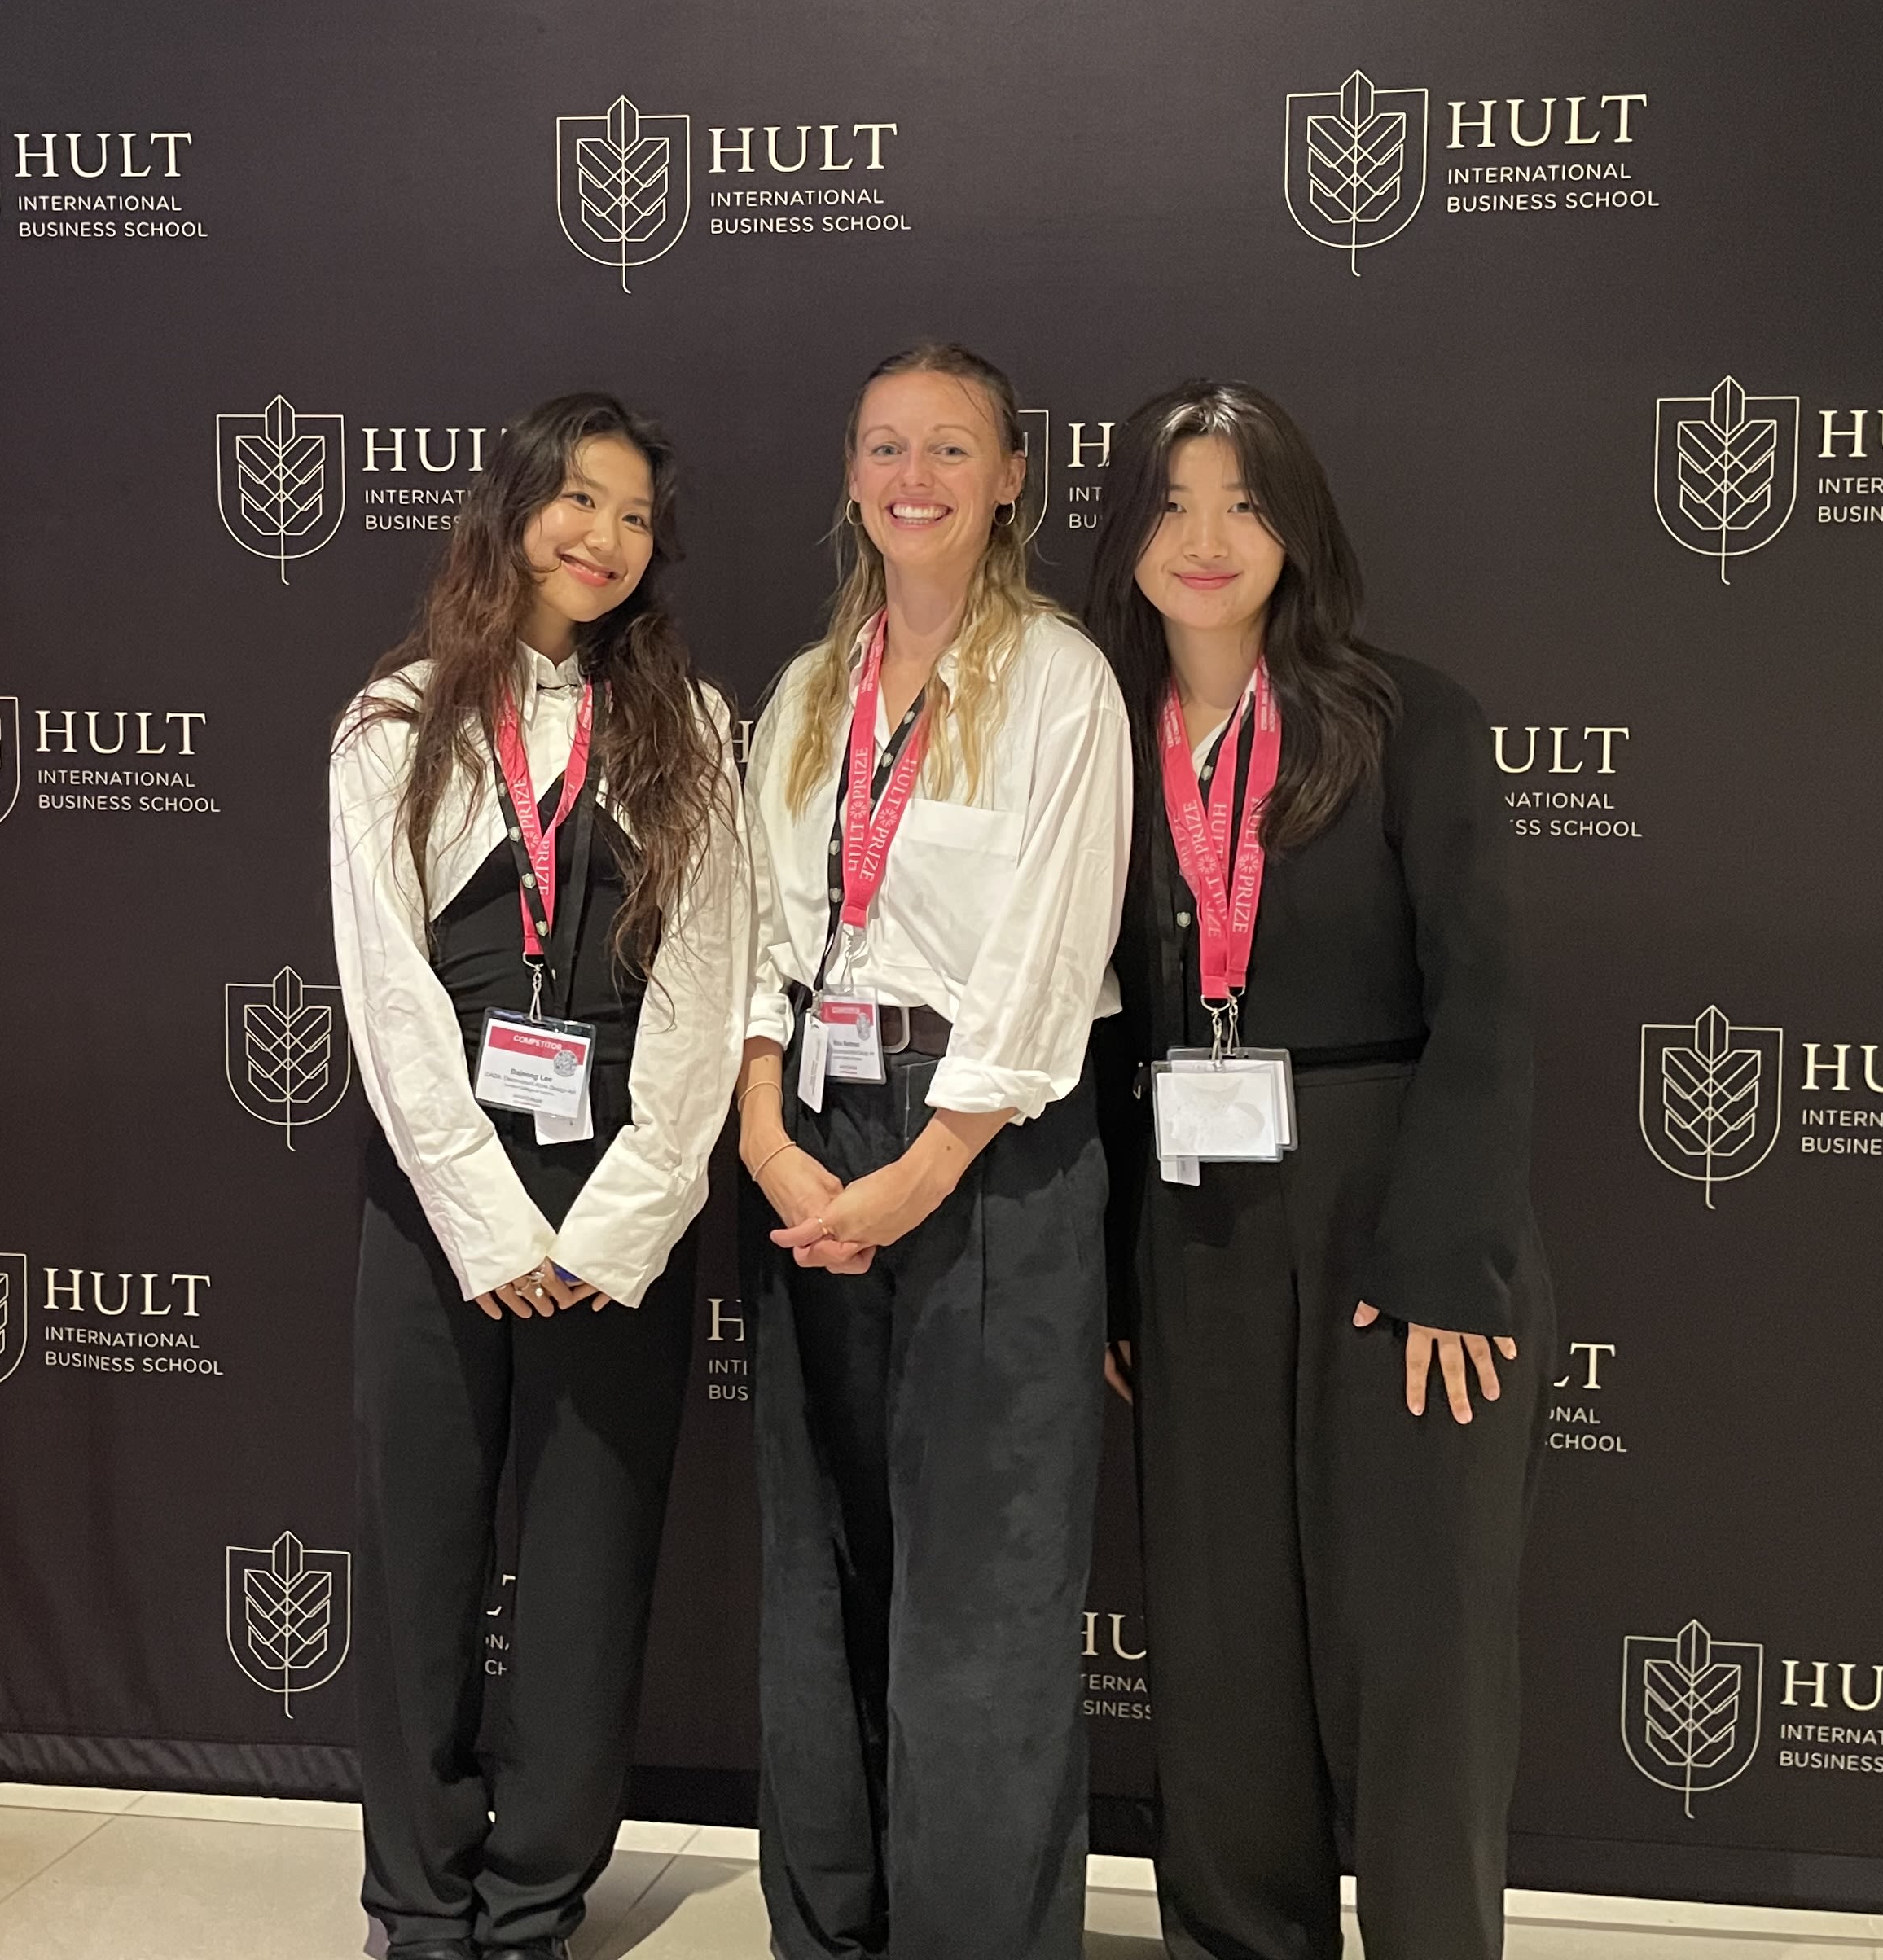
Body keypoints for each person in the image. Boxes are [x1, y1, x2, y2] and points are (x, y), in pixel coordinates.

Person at [1078, 379, 1554, 1960]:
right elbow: (1081, 1024)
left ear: (1301, 525)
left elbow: (1487, 1000)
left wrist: (1448, 1257)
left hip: (1394, 1214)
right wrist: (1107, 1278)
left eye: (1244, 502)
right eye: (1171, 504)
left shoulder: (1410, 719)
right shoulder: (1096, 750)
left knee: (1419, 1653)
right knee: (1217, 1649)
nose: (1205, 541)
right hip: (1190, 1224)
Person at [327, 390, 748, 1960]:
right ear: (510, 511)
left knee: (585, 1564)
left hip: (623, 1193)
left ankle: (534, 1904)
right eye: (578, 500)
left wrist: (624, 1219)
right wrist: (486, 1219)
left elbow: (711, 986)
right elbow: (385, 994)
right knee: (420, 1547)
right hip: (443, 1190)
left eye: (636, 516)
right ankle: (419, 1903)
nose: (604, 537)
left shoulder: (696, 728)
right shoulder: (393, 724)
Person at [733, 340, 1132, 1960]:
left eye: (953, 449)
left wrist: (927, 1165)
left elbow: (1047, 952)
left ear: (1012, 476)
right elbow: (760, 926)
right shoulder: (809, 690)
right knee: (827, 1555)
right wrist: (764, 1129)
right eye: (888, 446)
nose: (918, 477)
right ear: (851, 473)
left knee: (986, 1577)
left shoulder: (1060, 683)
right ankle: (833, 1922)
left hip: (992, 1149)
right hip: (812, 1136)